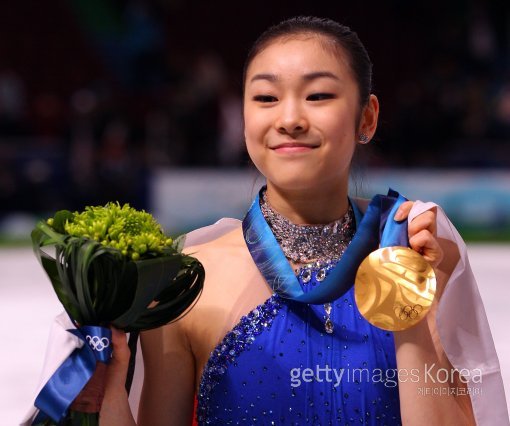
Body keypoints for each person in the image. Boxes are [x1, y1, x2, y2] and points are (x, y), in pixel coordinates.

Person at [23, 16, 508, 426]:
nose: (290, 118)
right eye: (266, 98)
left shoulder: (414, 242)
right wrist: (110, 379)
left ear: (367, 118)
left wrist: (408, 312)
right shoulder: (187, 279)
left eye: (318, 96)